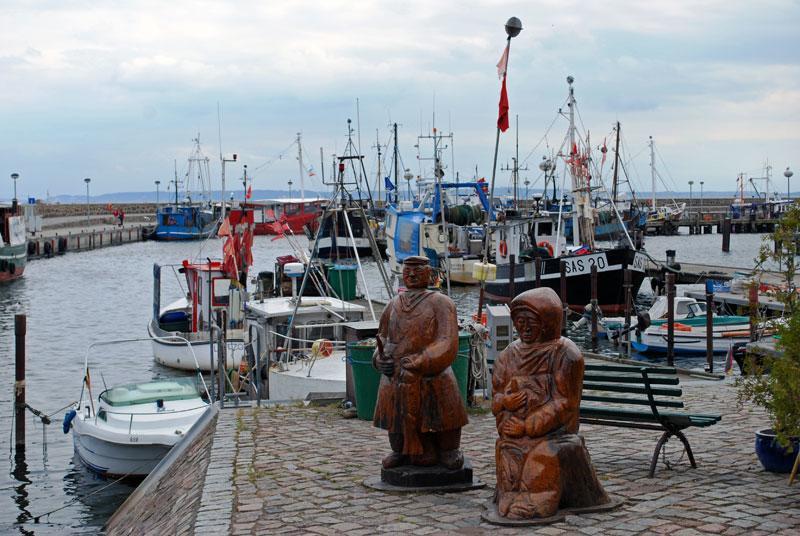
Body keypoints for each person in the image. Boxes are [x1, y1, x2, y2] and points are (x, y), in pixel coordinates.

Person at [492, 287, 608, 519]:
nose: (523, 327)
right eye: (519, 321)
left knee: (543, 453)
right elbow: (496, 394)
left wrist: (529, 426)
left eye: (531, 322)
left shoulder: (566, 354)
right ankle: (510, 492)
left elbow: (564, 402)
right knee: (506, 449)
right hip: (514, 428)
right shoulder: (508, 355)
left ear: (548, 322)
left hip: (555, 432)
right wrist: (505, 404)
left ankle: (538, 496)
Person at [372, 256, 468, 469]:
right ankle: (401, 449)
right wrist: (379, 359)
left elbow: (447, 341)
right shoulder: (393, 305)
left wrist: (423, 359)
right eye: (407, 270)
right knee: (396, 422)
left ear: (430, 274)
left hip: (432, 373)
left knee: (443, 417)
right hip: (397, 374)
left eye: (418, 270)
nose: (412, 274)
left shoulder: (441, 303)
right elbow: (382, 338)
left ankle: (448, 449)